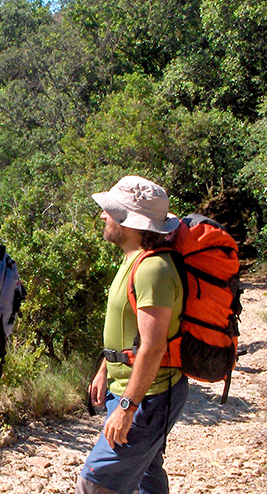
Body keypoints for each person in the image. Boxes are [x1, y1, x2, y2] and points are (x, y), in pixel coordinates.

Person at [76, 175, 189, 494]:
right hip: (133, 390)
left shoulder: (153, 270)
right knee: (145, 476)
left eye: (110, 210)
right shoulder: (134, 259)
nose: (103, 215)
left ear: (130, 221)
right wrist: (105, 369)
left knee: (95, 483)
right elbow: (131, 331)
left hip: (149, 396)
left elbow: (153, 347)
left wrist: (127, 407)